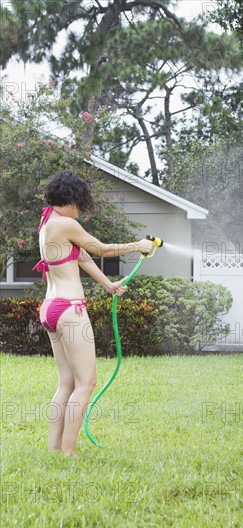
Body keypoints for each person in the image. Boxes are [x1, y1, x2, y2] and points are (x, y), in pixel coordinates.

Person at [33, 170, 154, 455]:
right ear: (73, 199)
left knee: (67, 382)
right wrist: (138, 245)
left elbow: (80, 254)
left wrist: (107, 284)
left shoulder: (48, 219)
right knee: (86, 383)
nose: (80, 209)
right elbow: (99, 248)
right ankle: (69, 451)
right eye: (80, 202)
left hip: (50, 308)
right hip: (70, 311)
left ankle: (54, 449)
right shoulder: (67, 223)